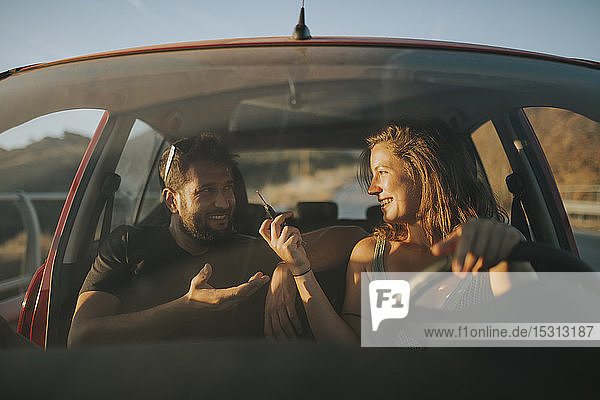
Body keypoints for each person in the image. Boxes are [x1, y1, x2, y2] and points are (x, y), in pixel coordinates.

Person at [68, 133, 366, 346]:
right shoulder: (128, 246)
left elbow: (353, 237)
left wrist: (288, 267)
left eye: (227, 188)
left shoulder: (250, 249)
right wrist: (188, 306)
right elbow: (81, 337)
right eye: (206, 191)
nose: (224, 202)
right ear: (172, 201)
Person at [260, 123, 533, 344]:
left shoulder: (491, 244)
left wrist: (509, 251)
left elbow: (531, 335)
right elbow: (350, 351)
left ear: (423, 172)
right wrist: (300, 270)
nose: (372, 189)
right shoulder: (370, 255)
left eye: (381, 173)